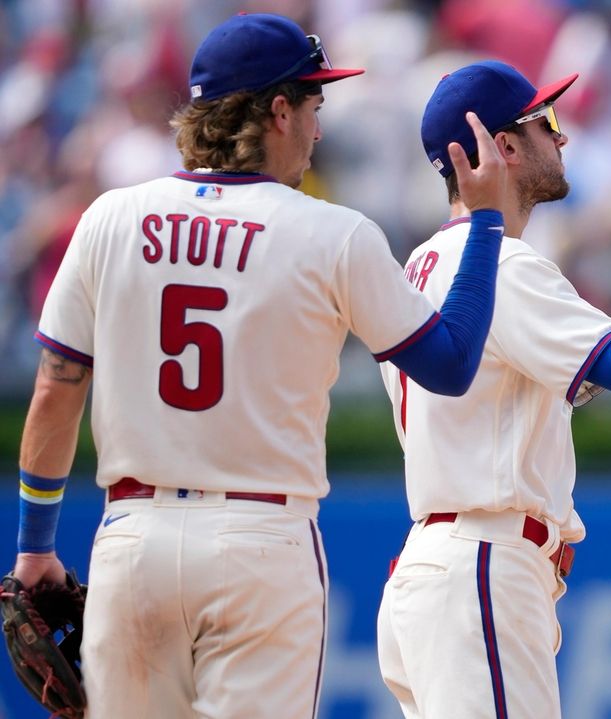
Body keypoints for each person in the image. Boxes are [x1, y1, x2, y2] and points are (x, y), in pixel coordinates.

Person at [12, 13, 508, 719]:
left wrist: (34, 547)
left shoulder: (110, 218)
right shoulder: (332, 232)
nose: (318, 128)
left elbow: (56, 389)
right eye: (313, 105)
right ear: (277, 110)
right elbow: (452, 364)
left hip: (132, 538)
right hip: (260, 542)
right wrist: (485, 223)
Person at [376, 60, 611, 717]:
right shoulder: (502, 265)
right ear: (502, 147)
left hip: (442, 563)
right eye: (548, 122)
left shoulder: (420, 262)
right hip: (481, 561)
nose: (561, 138)